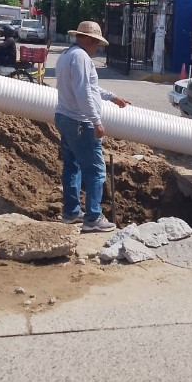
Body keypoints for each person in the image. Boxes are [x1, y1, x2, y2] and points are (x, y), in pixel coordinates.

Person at [54, 21, 130, 232]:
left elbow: (91, 87)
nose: (97, 47)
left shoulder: (67, 54)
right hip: (80, 122)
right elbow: (83, 92)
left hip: (65, 118)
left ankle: (71, 213)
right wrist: (96, 121)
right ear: (87, 39)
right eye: (96, 42)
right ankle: (93, 218)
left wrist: (113, 97)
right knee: (96, 170)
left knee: (72, 166)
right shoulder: (81, 58)